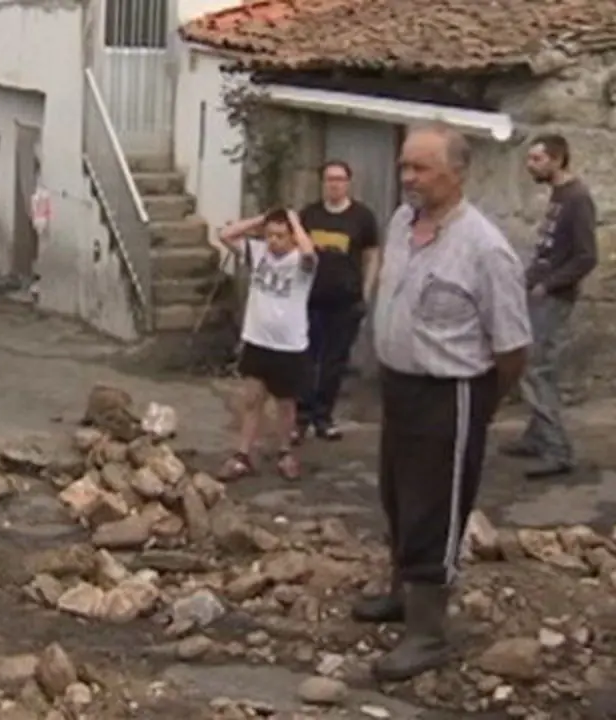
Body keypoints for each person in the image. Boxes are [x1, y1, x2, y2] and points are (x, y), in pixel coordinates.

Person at [354, 123, 531, 682]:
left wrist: (482, 405)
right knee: (398, 496)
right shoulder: (404, 223)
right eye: (405, 166)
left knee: (435, 508)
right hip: (400, 388)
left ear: (457, 174)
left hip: (450, 392)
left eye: (421, 169)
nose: (408, 178)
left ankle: (428, 635)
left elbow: (512, 346)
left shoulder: (486, 249)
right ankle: (401, 594)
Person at [500, 134, 597, 479]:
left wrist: (548, 284)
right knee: (536, 365)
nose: (531, 165)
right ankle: (537, 436)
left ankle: (558, 449)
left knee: (536, 370)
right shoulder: (560, 195)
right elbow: (550, 250)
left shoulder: (578, 199)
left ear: (558, 160)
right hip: (539, 292)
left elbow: (587, 256)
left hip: (554, 298)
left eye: (537, 159)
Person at [216, 208, 318, 482]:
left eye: (281, 236)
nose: (274, 241)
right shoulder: (258, 253)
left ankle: (285, 452)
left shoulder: (301, 263)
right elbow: (225, 234)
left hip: (289, 345)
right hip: (257, 339)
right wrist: (261, 220)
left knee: (285, 404)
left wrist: (295, 221)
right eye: (270, 235)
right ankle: (243, 454)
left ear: (292, 237)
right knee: (252, 400)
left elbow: (309, 253)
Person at [295, 160, 380, 441]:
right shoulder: (309, 215)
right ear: (322, 183)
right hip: (310, 299)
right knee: (306, 359)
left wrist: (366, 292)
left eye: (340, 179)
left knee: (335, 361)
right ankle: (301, 417)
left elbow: (372, 255)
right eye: (330, 179)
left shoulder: (362, 217)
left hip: (346, 301)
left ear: (348, 183)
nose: (335, 184)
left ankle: (323, 417)